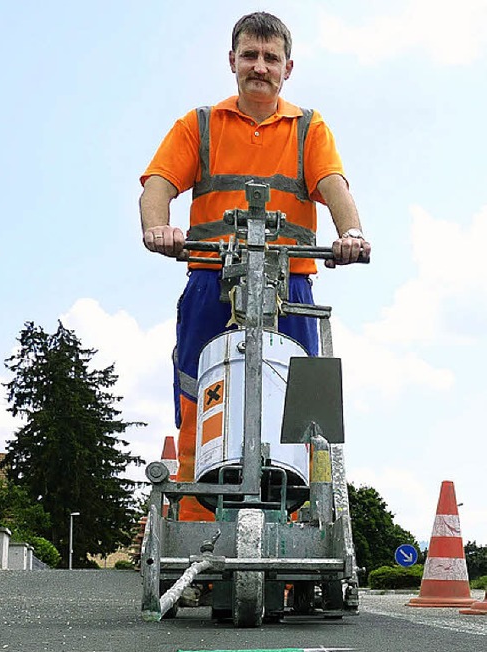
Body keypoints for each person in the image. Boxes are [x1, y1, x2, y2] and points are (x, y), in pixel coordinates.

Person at [139, 11, 371, 521]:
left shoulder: (309, 127)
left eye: (271, 58)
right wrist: (158, 227)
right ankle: (195, 536)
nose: (260, 67)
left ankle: (297, 538)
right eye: (250, 56)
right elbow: (158, 183)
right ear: (232, 62)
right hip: (211, 278)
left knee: (302, 410)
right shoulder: (199, 124)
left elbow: (334, 184)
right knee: (201, 397)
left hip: (290, 282)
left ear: (288, 67)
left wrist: (350, 233)